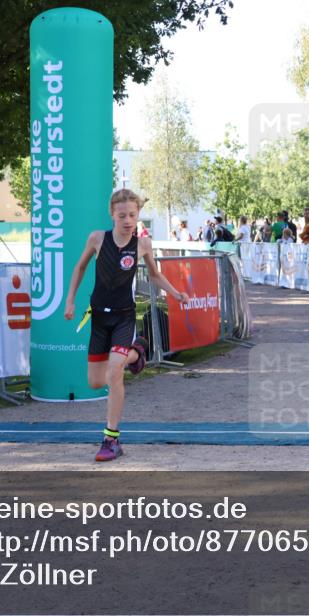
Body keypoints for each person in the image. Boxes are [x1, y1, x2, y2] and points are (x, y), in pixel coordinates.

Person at [64, 189, 190, 462]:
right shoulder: (97, 239)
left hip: (124, 317)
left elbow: (154, 275)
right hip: (99, 318)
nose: (128, 220)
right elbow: (80, 268)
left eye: (132, 215)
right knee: (95, 382)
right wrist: (70, 300)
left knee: (114, 372)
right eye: (122, 216)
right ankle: (138, 352)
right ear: (112, 214)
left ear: (138, 215)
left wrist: (175, 292)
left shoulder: (142, 244)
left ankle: (111, 439)